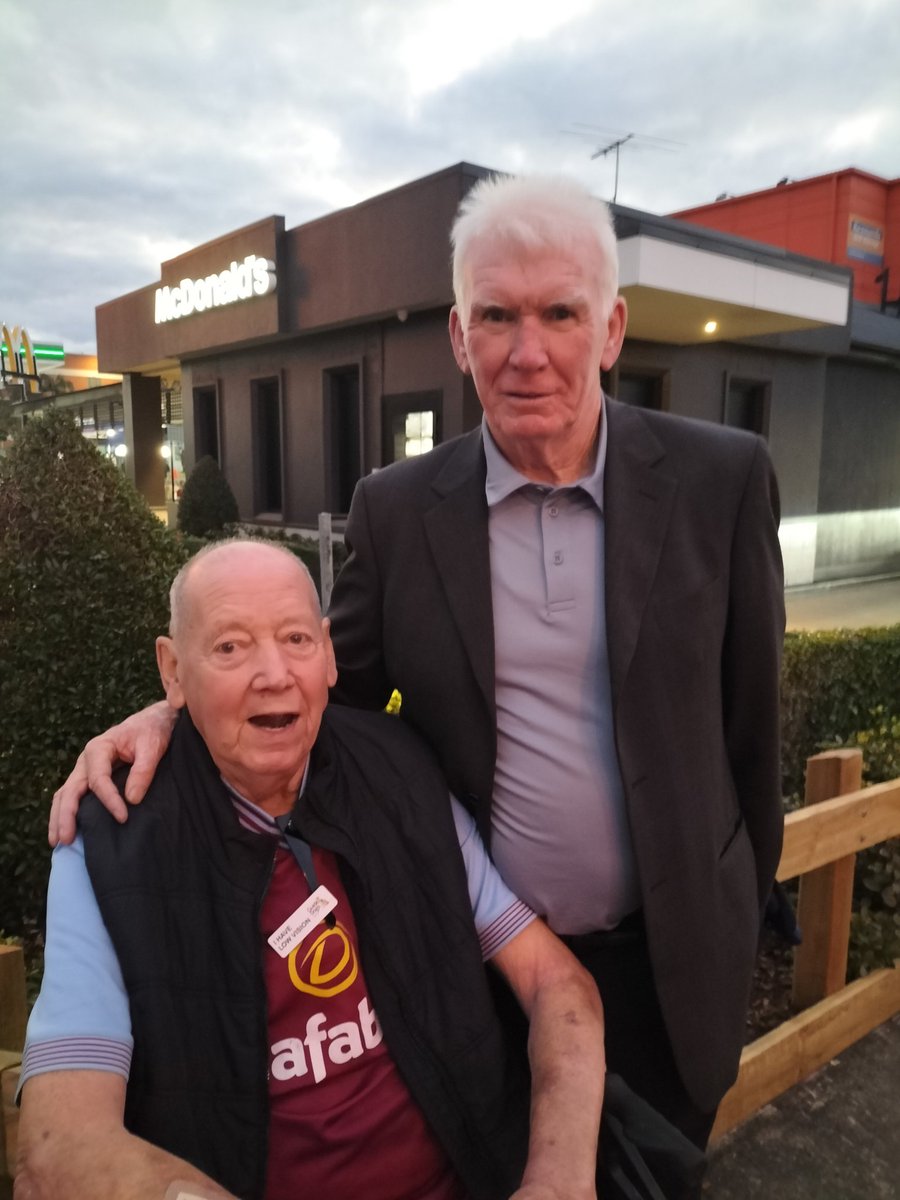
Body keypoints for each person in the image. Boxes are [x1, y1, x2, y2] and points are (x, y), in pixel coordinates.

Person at [50, 173, 785, 1167]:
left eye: (559, 314)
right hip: (485, 973)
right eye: (497, 316)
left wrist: (742, 914)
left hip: (675, 967)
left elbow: (751, 732)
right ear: (458, 334)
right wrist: (172, 712)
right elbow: (319, 686)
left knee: (657, 1177)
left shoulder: (721, 479)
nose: (527, 352)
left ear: (610, 330)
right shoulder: (400, 510)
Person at [20, 540, 605, 1200]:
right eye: (230, 648)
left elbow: (556, 982)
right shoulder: (110, 843)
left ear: (328, 655)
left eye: (296, 638)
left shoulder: (398, 778)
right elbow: (57, 1142)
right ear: (173, 670)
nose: (274, 673)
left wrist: (555, 1184)